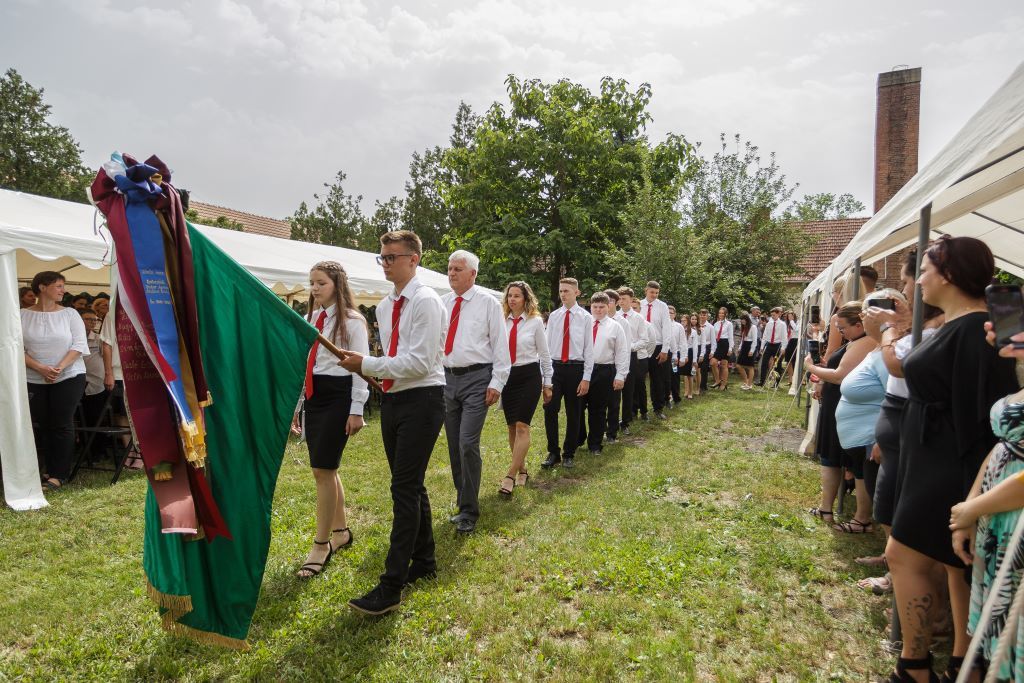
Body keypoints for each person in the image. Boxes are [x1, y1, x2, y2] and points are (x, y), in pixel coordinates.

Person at [884, 236, 1018, 682]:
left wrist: (973, 496)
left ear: (950, 274)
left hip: (949, 464)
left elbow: (982, 420)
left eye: (924, 270)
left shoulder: (976, 331)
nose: (918, 280)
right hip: (930, 458)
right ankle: (961, 663)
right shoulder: (956, 323)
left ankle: (915, 666)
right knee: (953, 565)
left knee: (904, 555)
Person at [339, 230, 446, 616]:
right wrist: (370, 368)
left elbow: (420, 362)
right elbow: (396, 358)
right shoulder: (386, 306)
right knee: (410, 485)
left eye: (391, 257)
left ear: (413, 259)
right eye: (381, 257)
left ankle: (392, 585)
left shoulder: (426, 301)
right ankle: (425, 562)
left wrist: (366, 364)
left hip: (423, 398)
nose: (384, 263)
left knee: (403, 488)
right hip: (396, 399)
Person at [291, 261, 369, 578]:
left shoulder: (353, 322)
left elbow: (362, 367)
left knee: (323, 470)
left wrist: (357, 409)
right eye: (312, 282)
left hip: (339, 395)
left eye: (321, 283)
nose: (315, 288)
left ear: (337, 284)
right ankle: (341, 532)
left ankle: (320, 545)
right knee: (325, 469)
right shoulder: (311, 319)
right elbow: (305, 364)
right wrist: (298, 403)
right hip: (315, 395)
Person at [949, 384, 1024, 680]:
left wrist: (975, 508)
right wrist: (969, 508)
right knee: (1000, 627)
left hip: (1015, 521)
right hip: (996, 515)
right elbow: (1003, 446)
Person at [441, 250, 510, 534]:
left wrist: (497, 382)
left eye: (458, 269)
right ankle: (463, 500)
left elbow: (501, 345)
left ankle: (469, 511)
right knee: (454, 444)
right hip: (447, 379)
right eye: (449, 268)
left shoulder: (488, 303)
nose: (451, 273)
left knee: (468, 442)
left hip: (477, 379)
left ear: (473, 273)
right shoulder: (443, 302)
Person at [804, 302, 875, 529]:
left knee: (855, 463)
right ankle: (826, 508)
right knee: (831, 457)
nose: (841, 333)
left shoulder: (866, 342)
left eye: (843, 328)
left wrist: (812, 368)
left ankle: (861, 518)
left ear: (859, 324)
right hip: (837, 404)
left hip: (849, 408)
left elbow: (839, 375)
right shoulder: (855, 342)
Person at [832, 290, 897, 535]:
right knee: (865, 479)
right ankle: (865, 522)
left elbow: (893, 396)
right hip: (862, 438)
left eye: (865, 315)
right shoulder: (877, 349)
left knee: (880, 497)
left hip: (872, 437)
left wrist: (880, 438)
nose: (862, 319)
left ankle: (869, 526)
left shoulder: (886, 353)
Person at [21, 271, 89, 490]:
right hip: (34, 376)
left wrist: (59, 368)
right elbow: (15, 348)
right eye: (58, 286)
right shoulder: (21, 315)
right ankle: (48, 469)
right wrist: (40, 368)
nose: (63, 290)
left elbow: (79, 345)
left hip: (69, 374)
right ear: (42, 287)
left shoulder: (70, 314)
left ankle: (58, 475)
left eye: (63, 286)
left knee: (61, 423)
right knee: (43, 424)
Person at [498, 281, 551, 497]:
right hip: (508, 377)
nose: (512, 299)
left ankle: (510, 475)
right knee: (512, 427)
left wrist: (548, 383)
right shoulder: (501, 320)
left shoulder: (535, 322)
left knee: (522, 425)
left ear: (526, 299)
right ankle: (522, 470)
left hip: (529, 375)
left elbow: (544, 354)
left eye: (517, 296)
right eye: (509, 295)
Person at [543, 278, 593, 470]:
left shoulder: (585, 317)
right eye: (561, 291)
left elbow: (589, 350)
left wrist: (586, 378)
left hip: (575, 368)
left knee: (574, 412)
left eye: (567, 291)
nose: (563, 294)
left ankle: (569, 452)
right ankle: (553, 452)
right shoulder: (554, 316)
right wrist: (545, 376)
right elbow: (546, 347)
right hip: (555, 368)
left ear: (576, 293)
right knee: (550, 409)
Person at [585, 292, 629, 455]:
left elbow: (622, 352)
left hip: (603, 370)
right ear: (590, 307)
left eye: (602, 307)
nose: (598, 310)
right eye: (595, 307)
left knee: (598, 409)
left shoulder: (615, 326)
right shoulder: (584, 323)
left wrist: (620, 375)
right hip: (583, 369)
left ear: (608, 306)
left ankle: (595, 444)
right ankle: (578, 437)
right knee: (577, 406)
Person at [615, 287, 649, 435]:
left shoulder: (638, 318)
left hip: (631, 355)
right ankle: (612, 420)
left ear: (631, 300)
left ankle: (626, 421)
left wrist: (630, 347)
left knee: (629, 390)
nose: (621, 302)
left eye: (624, 299)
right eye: (620, 299)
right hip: (614, 357)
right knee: (614, 390)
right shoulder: (614, 316)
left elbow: (644, 340)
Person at [640, 281, 672, 420]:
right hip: (641, 346)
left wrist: (665, 349)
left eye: (657, 293)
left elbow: (667, 328)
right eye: (652, 292)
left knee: (657, 379)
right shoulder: (639, 304)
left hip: (658, 346)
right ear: (646, 290)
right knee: (638, 379)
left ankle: (658, 408)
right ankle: (638, 409)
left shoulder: (662, 306)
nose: (654, 295)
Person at [602, 289, 631, 443]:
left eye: (611, 301)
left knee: (614, 402)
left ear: (616, 302)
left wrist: (623, 373)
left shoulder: (622, 322)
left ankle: (612, 433)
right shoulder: (597, 319)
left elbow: (625, 349)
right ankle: (600, 429)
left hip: (615, 366)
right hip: (600, 365)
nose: (608, 303)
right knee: (599, 402)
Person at [627, 297, 654, 422]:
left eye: (635, 308)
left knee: (640, 385)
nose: (633, 310)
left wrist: (646, 354)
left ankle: (644, 411)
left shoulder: (646, 324)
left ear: (640, 308)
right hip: (627, 359)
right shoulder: (624, 321)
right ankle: (632, 411)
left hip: (640, 358)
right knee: (630, 386)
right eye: (631, 308)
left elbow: (651, 342)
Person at [757, 307, 786, 387]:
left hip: (777, 345)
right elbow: (765, 335)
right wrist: (762, 347)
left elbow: (784, 337)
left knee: (777, 364)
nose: (772, 317)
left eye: (774, 315)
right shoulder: (769, 323)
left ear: (778, 314)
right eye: (771, 315)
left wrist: (783, 348)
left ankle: (776, 383)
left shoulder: (782, 324)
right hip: (769, 345)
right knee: (764, 363)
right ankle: (762, 381)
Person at [709, 307, 734, 390]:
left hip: (725, 344)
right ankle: (718, 381)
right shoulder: (716, 324)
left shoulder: (729, 324)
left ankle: (724, 384)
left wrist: (730, 348)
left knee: (724, 364)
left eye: (723, 313)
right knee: (713, 362)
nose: (721, 314)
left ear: (726, 314)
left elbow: (731, 337)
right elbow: (714, 336)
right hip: (717, 343)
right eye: (720, 313)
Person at [667, 305, 686, 405]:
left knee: (674, 376)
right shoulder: (662, 325)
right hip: (665, 354)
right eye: (667, 313)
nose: (669, 314)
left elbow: (683, 343)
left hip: (675, 355)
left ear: (675, 314)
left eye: (671, 313)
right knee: (665, 377)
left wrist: (682, 357)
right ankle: (666, 398)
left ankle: (676, 398)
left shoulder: (679, 327)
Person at [735, 313, 759, 390]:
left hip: (750, 346)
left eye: (743, 319)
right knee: (738, 365)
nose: (742, 321)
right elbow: (743, 339)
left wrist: (752, 350)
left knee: (750, 366)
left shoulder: (753, 327)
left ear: (747, 320)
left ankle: (749, 384)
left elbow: (755, 340)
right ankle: (746, 382)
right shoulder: (744, 327)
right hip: (744, 346)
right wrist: (739, 348)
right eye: (741, 320)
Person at [683, 314, 699, 400]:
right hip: (681, 352)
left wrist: (694, 359)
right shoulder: (680, 330)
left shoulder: (693, 332)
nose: (683, 322)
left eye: (684, 321)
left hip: (690, 352)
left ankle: (690, 392)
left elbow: (695, 346)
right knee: (682, 373)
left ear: (688, 321)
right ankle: (685, 391)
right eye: (682, 321)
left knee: (690, 374)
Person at [697, 309, 712, 394]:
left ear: (707, 316)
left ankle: (703, 385)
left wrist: (712, 351)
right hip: (697, 347)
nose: (702, 316)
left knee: (704, 367)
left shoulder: (710, 327)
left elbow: (713, 341)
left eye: (704, 315)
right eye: (701, 315)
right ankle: (697, 384)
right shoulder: (696, 325)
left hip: (707, 347)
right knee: (697, 367)